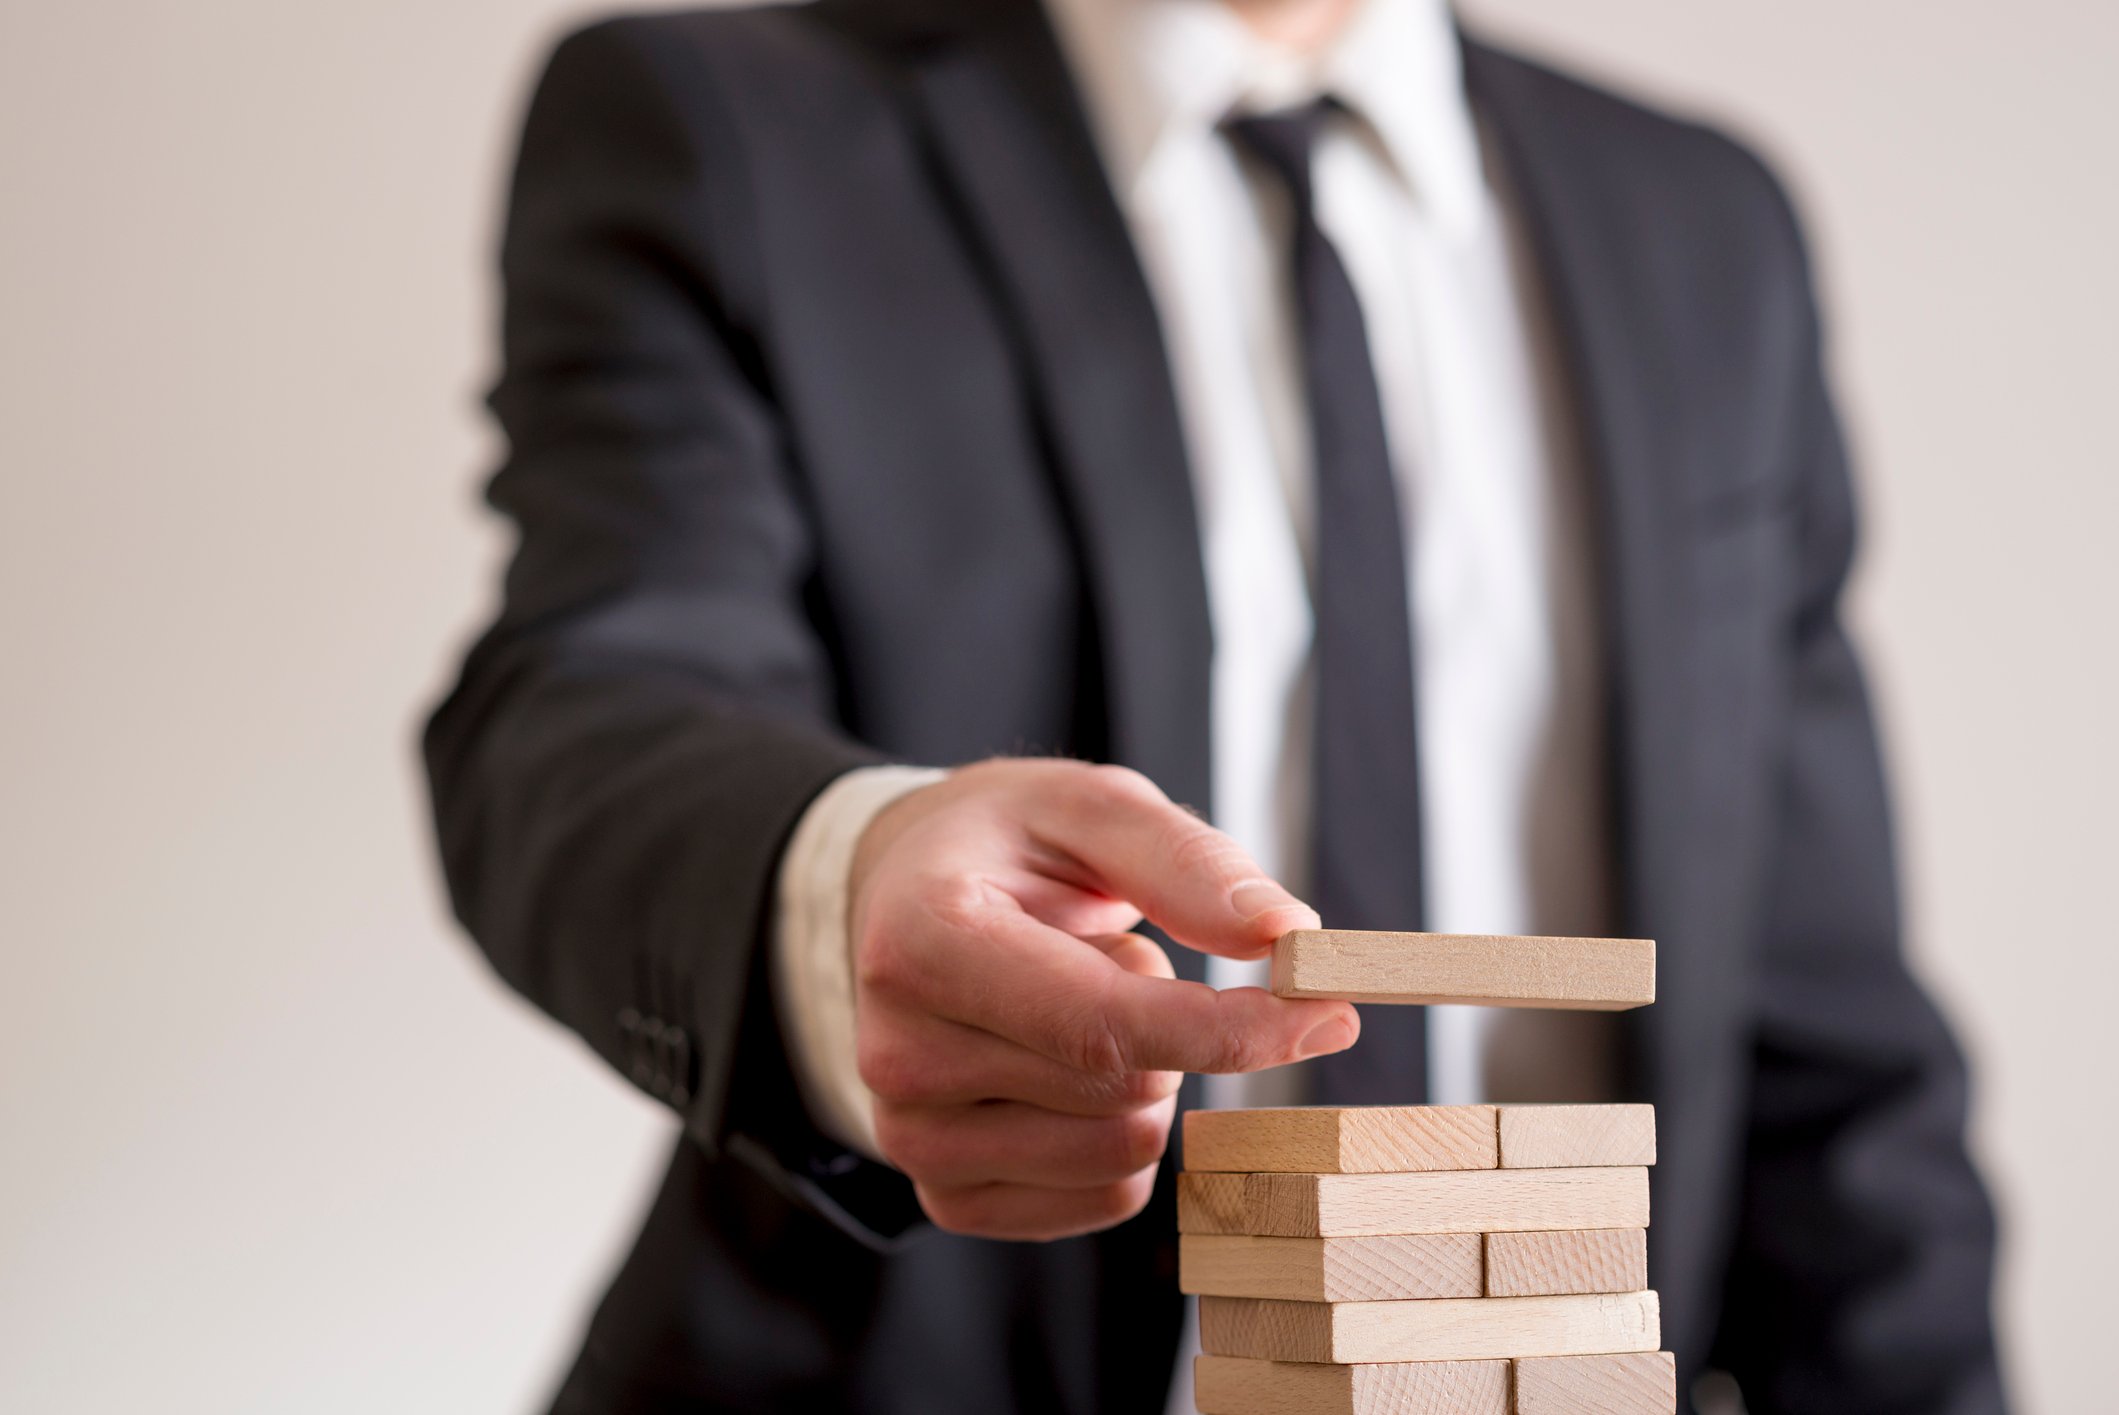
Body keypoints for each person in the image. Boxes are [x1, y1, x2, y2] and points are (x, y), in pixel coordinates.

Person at [423, 0, 2008, 1409]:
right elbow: (586, 706)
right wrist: (842, 890)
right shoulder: (723, 124)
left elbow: (1822, 1034)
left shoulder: (1704, 223)